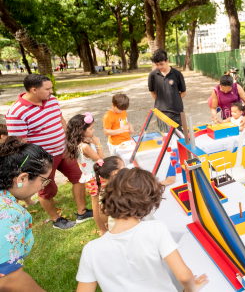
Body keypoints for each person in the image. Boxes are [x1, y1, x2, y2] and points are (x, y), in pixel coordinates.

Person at [75, 168, 209, 292]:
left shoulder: (90, 250)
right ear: (148, 203)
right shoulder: (156, 228)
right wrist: (191, 288)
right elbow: (184, 277)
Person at [6, 74, 91, 230]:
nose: (52, 92)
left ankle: (82, 212)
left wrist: (69, 140)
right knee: (47, 190)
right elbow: (19, 145)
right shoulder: (16, 112)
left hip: (63, 150)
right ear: (34, 89)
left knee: (79, 178)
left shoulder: (52, 101)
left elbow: (61, 120)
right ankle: (56, 220)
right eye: (48, 89)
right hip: (41, 161)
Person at [0, 137, 53, 292]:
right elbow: (9, 280)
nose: (43, 186)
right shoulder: (8, 213)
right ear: (22, 178)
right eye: (43, 180)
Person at [64, 113, 106, 234]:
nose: (93, 130)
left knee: (99, 202)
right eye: (91, 128)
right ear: (81, 131)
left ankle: (104, 225)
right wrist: (98, 143)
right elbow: (100, 160)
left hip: (94, 176)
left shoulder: (83, 142)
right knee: (96, 204)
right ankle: (102, 229)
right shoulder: (84, 146)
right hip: (94, 178)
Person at [148, 49, 186, 129]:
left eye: (161, 64)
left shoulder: (177, 74)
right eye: (157, 65)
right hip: (160, 113)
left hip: (176, 113)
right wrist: (160, 102)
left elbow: (183, 92)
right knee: (164, 137)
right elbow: (152, 92)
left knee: (178, 136)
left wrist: (175, 101)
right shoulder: (152, 75)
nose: (159, 67)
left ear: (167, 61)